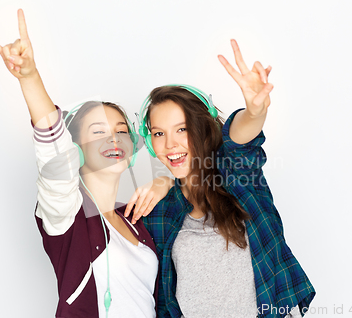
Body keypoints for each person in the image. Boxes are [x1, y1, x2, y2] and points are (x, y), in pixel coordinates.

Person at [0, 9, 173, 318]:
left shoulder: (137, 219)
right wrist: (30, 77)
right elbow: (55, 155)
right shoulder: (66, 216)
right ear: (76, 150)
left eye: (121, 132)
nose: (114, 140)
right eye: (98, 132)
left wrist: (164, 181)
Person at [127, 40, 316, 318]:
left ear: (204, 128)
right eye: (158, 133)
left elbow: (241, 138)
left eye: (182, 129)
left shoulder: (237, 173)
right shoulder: (156, 211)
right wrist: (162, 183)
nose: (170, 144)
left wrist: (255, 111)